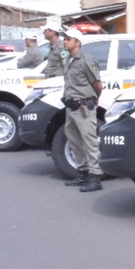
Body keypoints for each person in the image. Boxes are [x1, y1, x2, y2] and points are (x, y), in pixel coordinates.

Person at [60, 28, 104, 192]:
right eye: (64, 39)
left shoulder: (86, 60)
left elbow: (97, 84)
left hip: (83, 107)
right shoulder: (68, 59)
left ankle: (95, 177)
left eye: (68, 39)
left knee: (90, 141)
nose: (65, 41)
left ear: (77, 42)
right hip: (70, 107)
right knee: (74, 140)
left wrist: (94, 97)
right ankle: (83, 172)